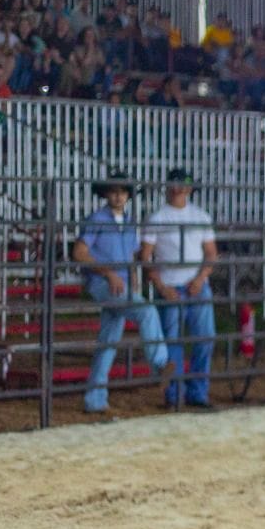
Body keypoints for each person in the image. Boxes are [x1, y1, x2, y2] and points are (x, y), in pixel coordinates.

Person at [72, 171, 172, 413]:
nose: (118, 196)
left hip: (119, 283)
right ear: (106, 194)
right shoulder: (97, 219)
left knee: (108, 342)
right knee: (146, 311)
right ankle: (159, 363)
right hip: (103, 282)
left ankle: (95, 400)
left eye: (122, 192)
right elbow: (79, 253)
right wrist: (109, 273)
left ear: (127, 196)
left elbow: (130, 255)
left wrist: (132, 277)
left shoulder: (128, 222)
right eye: (114, 192)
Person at [139, 169, 218, 409]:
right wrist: (162, 286)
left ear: (189, 188)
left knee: (203, 339)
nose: (179, 188)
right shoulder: (157, 218)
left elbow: (211, 253)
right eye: (175, 184)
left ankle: (195, 393)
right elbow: (145, 256)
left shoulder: (200, 216)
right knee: (173, 341)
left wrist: (200, 278)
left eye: (183, 184)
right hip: (172, 285)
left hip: (195, 284)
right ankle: (175, 395)